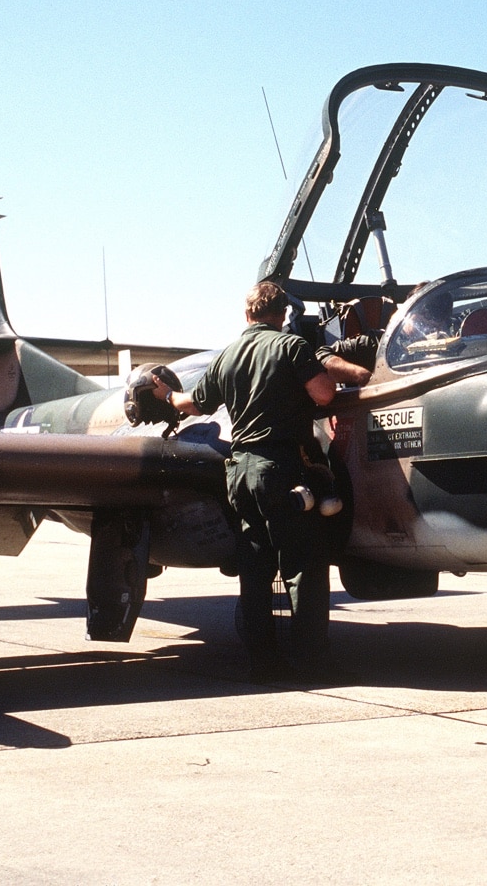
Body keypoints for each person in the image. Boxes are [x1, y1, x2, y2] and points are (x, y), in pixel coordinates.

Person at [152, 280, 337, 682]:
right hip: (282, 469)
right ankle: (310, 663)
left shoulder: (226, 356)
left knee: (255, 571)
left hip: (240, 473)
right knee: (302, 567)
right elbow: (324, 394)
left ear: (248, 314)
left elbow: (192, 405)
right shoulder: (291, 347)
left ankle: (262, 664)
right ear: (283, 314)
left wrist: (166, 396)